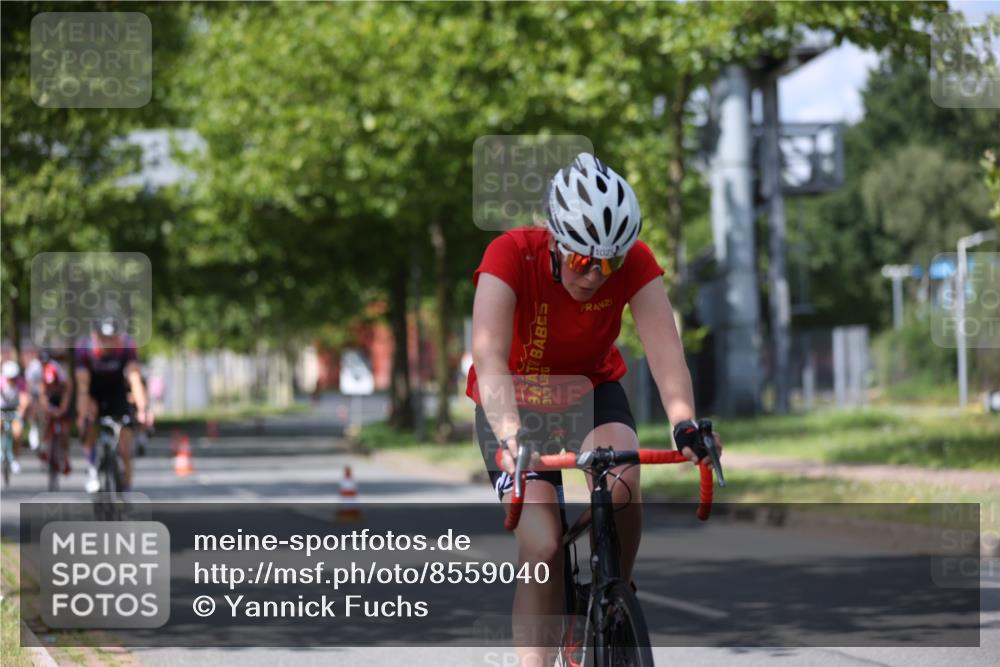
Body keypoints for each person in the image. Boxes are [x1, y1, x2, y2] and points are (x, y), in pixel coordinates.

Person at [467, 153, 723, 665]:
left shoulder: (635, 264)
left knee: (624, 482)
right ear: (556, 242)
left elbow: (665, 350)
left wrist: (684, 422)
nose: (598, 275)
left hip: (590, 389)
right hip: (514, 401)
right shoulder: (509, 254)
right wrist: (511, 432)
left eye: (612, 262)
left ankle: (613, 595)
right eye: (586, 261)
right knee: (541, 546)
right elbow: (489, 353)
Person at [75, 314, 150, 493]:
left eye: (113, 338)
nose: (109, 342)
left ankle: (127, 485)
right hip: (94, 392)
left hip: (117, 393)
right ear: (95, 335)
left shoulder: (126, 346)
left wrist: (143, 409)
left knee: (125, 447)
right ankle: (93, 468)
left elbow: (135, 380)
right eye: (104, 338)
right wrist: (82, 415)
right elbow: (83, 388)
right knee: (89, 420)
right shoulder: (84, 349)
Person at [33, 350, 73, 475]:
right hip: (49, 398)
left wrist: (63, 408)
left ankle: (65, 457)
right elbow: (42, 394)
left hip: (61, 397)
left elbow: (68, 389)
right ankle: (45, 447)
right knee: (45, 419)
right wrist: (47, 408)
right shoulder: (38, 371)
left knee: (65, 431)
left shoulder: (57, 369)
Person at [1, 359, 31, 474]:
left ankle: (15, 458)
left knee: (17, 432)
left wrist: (22, 411)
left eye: (13, 377)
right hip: (1, 408)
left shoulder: (20, 383)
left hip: (14, 409)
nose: (11, 380)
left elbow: (24, 398)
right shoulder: (1, 382)